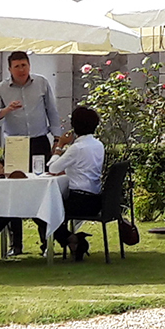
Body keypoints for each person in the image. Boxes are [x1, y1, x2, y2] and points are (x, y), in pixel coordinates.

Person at [0, 51, 59, 254]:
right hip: (15, 143)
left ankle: (46, 242)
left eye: (24, 65)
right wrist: (6, 110)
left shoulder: (42, 83)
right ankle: (15, 244)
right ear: (9, 69)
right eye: (17, 66)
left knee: (42, 187)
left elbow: (52, 111)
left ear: (29, 66)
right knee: (14, 191)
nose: (21, 70)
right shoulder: (1, 88)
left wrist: (57, 137)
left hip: (39, 141)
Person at [45, 104, 106, 262]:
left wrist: (60, 146)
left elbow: (53, 167)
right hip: (95, 199)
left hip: (79, 200)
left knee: (43, 211)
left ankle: (70, 239)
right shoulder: (98, 145)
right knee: (48, 209)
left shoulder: (77, 148)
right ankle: (72, 240)